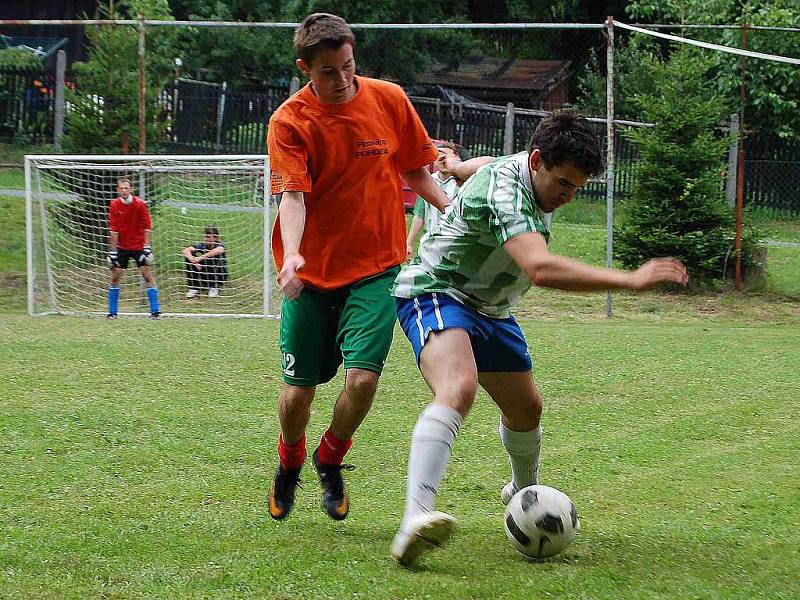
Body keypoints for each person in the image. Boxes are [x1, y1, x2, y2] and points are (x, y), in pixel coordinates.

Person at [389, 109, 688, 566]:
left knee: (527, 409)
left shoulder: (515, 170)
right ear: (537, 162)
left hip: (490, 306)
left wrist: (456, 168)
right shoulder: (507, 189)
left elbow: (483, 162)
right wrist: (628, 280)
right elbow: (540, 268)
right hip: (438, 289)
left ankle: (523, 491)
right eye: (563, 183)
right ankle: (415, 516)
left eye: (577, 188)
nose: (568, 196)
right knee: (458, 387)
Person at [266, 13, 452, 522]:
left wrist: (450, 214)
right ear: (306, 68)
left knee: (363, 381)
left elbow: (415, 166)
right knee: (298, 393)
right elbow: (294, 197)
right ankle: (291, 460)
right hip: (312, 276)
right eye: (329, 71)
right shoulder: (289, 122)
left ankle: (331, 457)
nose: (344, 78)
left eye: (349, 65)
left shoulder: (389, 99)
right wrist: (295, 254)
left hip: (377, 266)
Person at [405, 142, 493, 261]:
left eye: (447, 155)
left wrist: (457, 169)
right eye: (438, 154)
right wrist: (409, 242)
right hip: (430, 241)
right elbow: (420, 214)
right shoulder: (427, 182)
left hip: (454, 241)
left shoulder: (463, 183)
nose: (442, 158)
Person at [107, 176, 160, 319]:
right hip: (122, 247)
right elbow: (113, 229)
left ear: (131, 189)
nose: (124, 190)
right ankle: (112, 313)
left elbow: (147, 226)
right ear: (117, 190)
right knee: (115, 277)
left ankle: (155, 311)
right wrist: (113, 250)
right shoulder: (114, 205)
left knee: (147, 275)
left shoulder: (140, 204)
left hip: (138, 246)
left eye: (126, 188)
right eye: (121, 188)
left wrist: (147, 247)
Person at [182, 226, 228, 298]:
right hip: (205, 272)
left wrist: (200, 258)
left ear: (216, 238)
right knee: (189, 256)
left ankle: (214, 287)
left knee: (215, 258)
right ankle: (193, 288)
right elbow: (186, 250)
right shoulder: (202, 245)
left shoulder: (219, 245)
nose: (206, 239)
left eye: (209, 237)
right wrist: (194, 261)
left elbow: (219, 250)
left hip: (219, 274)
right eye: (205, 237)